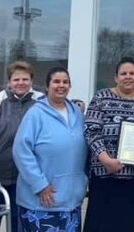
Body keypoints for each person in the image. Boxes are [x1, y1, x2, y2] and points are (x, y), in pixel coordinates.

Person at [84, 58, 134, 232]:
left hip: (133, 178)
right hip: (105, 177)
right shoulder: (101, 98)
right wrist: (106, 160)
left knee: (130, 225)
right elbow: (90, 130)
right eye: (123, 73)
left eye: (132, 73)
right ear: (116, 77)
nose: (128, 77)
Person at [12, 66, 87, 231]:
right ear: (47, 86)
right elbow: (21, 151)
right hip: (40, 203)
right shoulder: (35, 114)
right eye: (56, 81)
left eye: (65, 82)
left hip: (70, 202)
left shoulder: (77, 114)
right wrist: (39, 184)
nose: (61, 85)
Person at [0, 60, 44, 232]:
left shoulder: (40, 101)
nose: (21, 83)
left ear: (31, 81)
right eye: (16, 80)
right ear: (9, 82)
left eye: (25, 79)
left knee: (18, 222)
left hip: (26, 175)